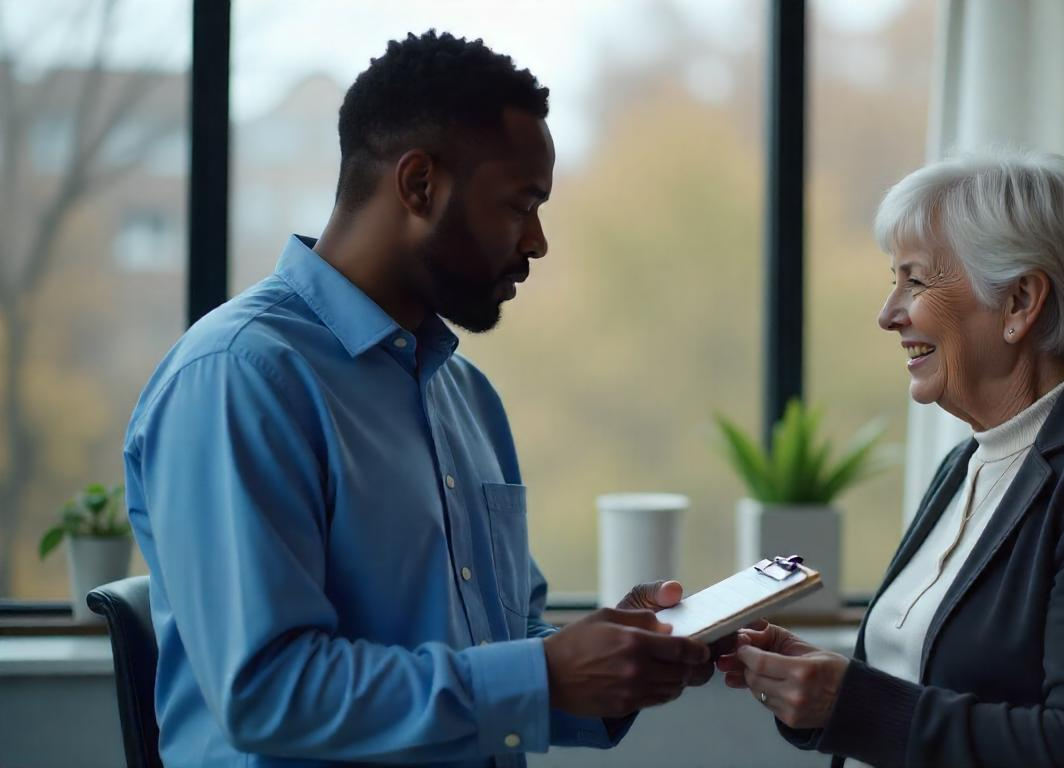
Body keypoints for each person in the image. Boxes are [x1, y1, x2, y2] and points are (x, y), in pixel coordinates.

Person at [123, 31, 711, 767]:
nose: (537, 242)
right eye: (520, 205)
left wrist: (601, 661)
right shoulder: (239, 378)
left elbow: (492, 659)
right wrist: (543, 672)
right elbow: (268, 694)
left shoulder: (465, 396)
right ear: (419, 185)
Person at [717, 150, 1064, 767]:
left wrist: (852, 704)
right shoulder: (970, 462)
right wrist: (821, 692)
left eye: (914, 280)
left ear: (1019, 301)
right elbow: (916, 681)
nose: (888, 315)